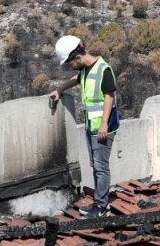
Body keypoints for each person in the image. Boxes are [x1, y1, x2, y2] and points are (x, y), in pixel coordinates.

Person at [47, 35, 119, 217]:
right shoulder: (87, 70)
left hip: (104, 127)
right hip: (91, 126)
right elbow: (76, 79)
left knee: (101, 166)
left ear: (77, 58)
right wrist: (60, 89)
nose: (70, 67)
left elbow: (109, 96)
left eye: (70, 63)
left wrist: (103, 124)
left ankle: (102, 207)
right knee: (95, 165)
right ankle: (98, 203)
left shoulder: (104, 69)